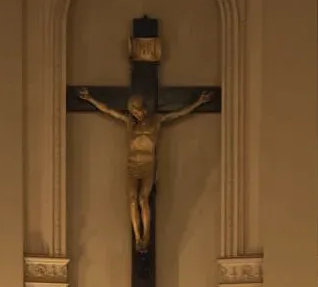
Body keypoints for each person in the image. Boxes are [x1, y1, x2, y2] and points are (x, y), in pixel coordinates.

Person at [75, 86, 216, 253]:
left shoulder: (157, 120)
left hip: (148, 165)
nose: (135, 114)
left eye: (137, 110)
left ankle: (147, 235)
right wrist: (90, 98)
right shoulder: (129, 122)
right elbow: (109, 110)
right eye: (132, 112)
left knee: (143, 199)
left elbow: (179, 113)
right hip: (132, 165)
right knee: (133, 199)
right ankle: (137, 237)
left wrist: (198, 102)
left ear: (143, 108)